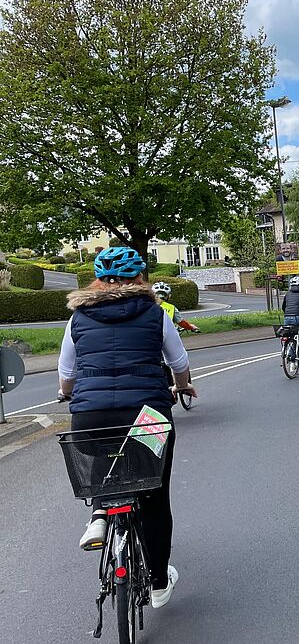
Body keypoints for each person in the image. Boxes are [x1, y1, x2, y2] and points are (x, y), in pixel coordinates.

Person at [59, 247, 194, 608]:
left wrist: (66, 393)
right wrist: (182, 385)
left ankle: (100, 515)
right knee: (154, 494)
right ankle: (159, 582)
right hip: (148, 413)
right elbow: (178, 361)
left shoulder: (78, 317)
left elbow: (66, 373)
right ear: (140, 278)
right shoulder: (154, 313)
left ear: (98, 280)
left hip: (90, 418)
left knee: (104, 453)